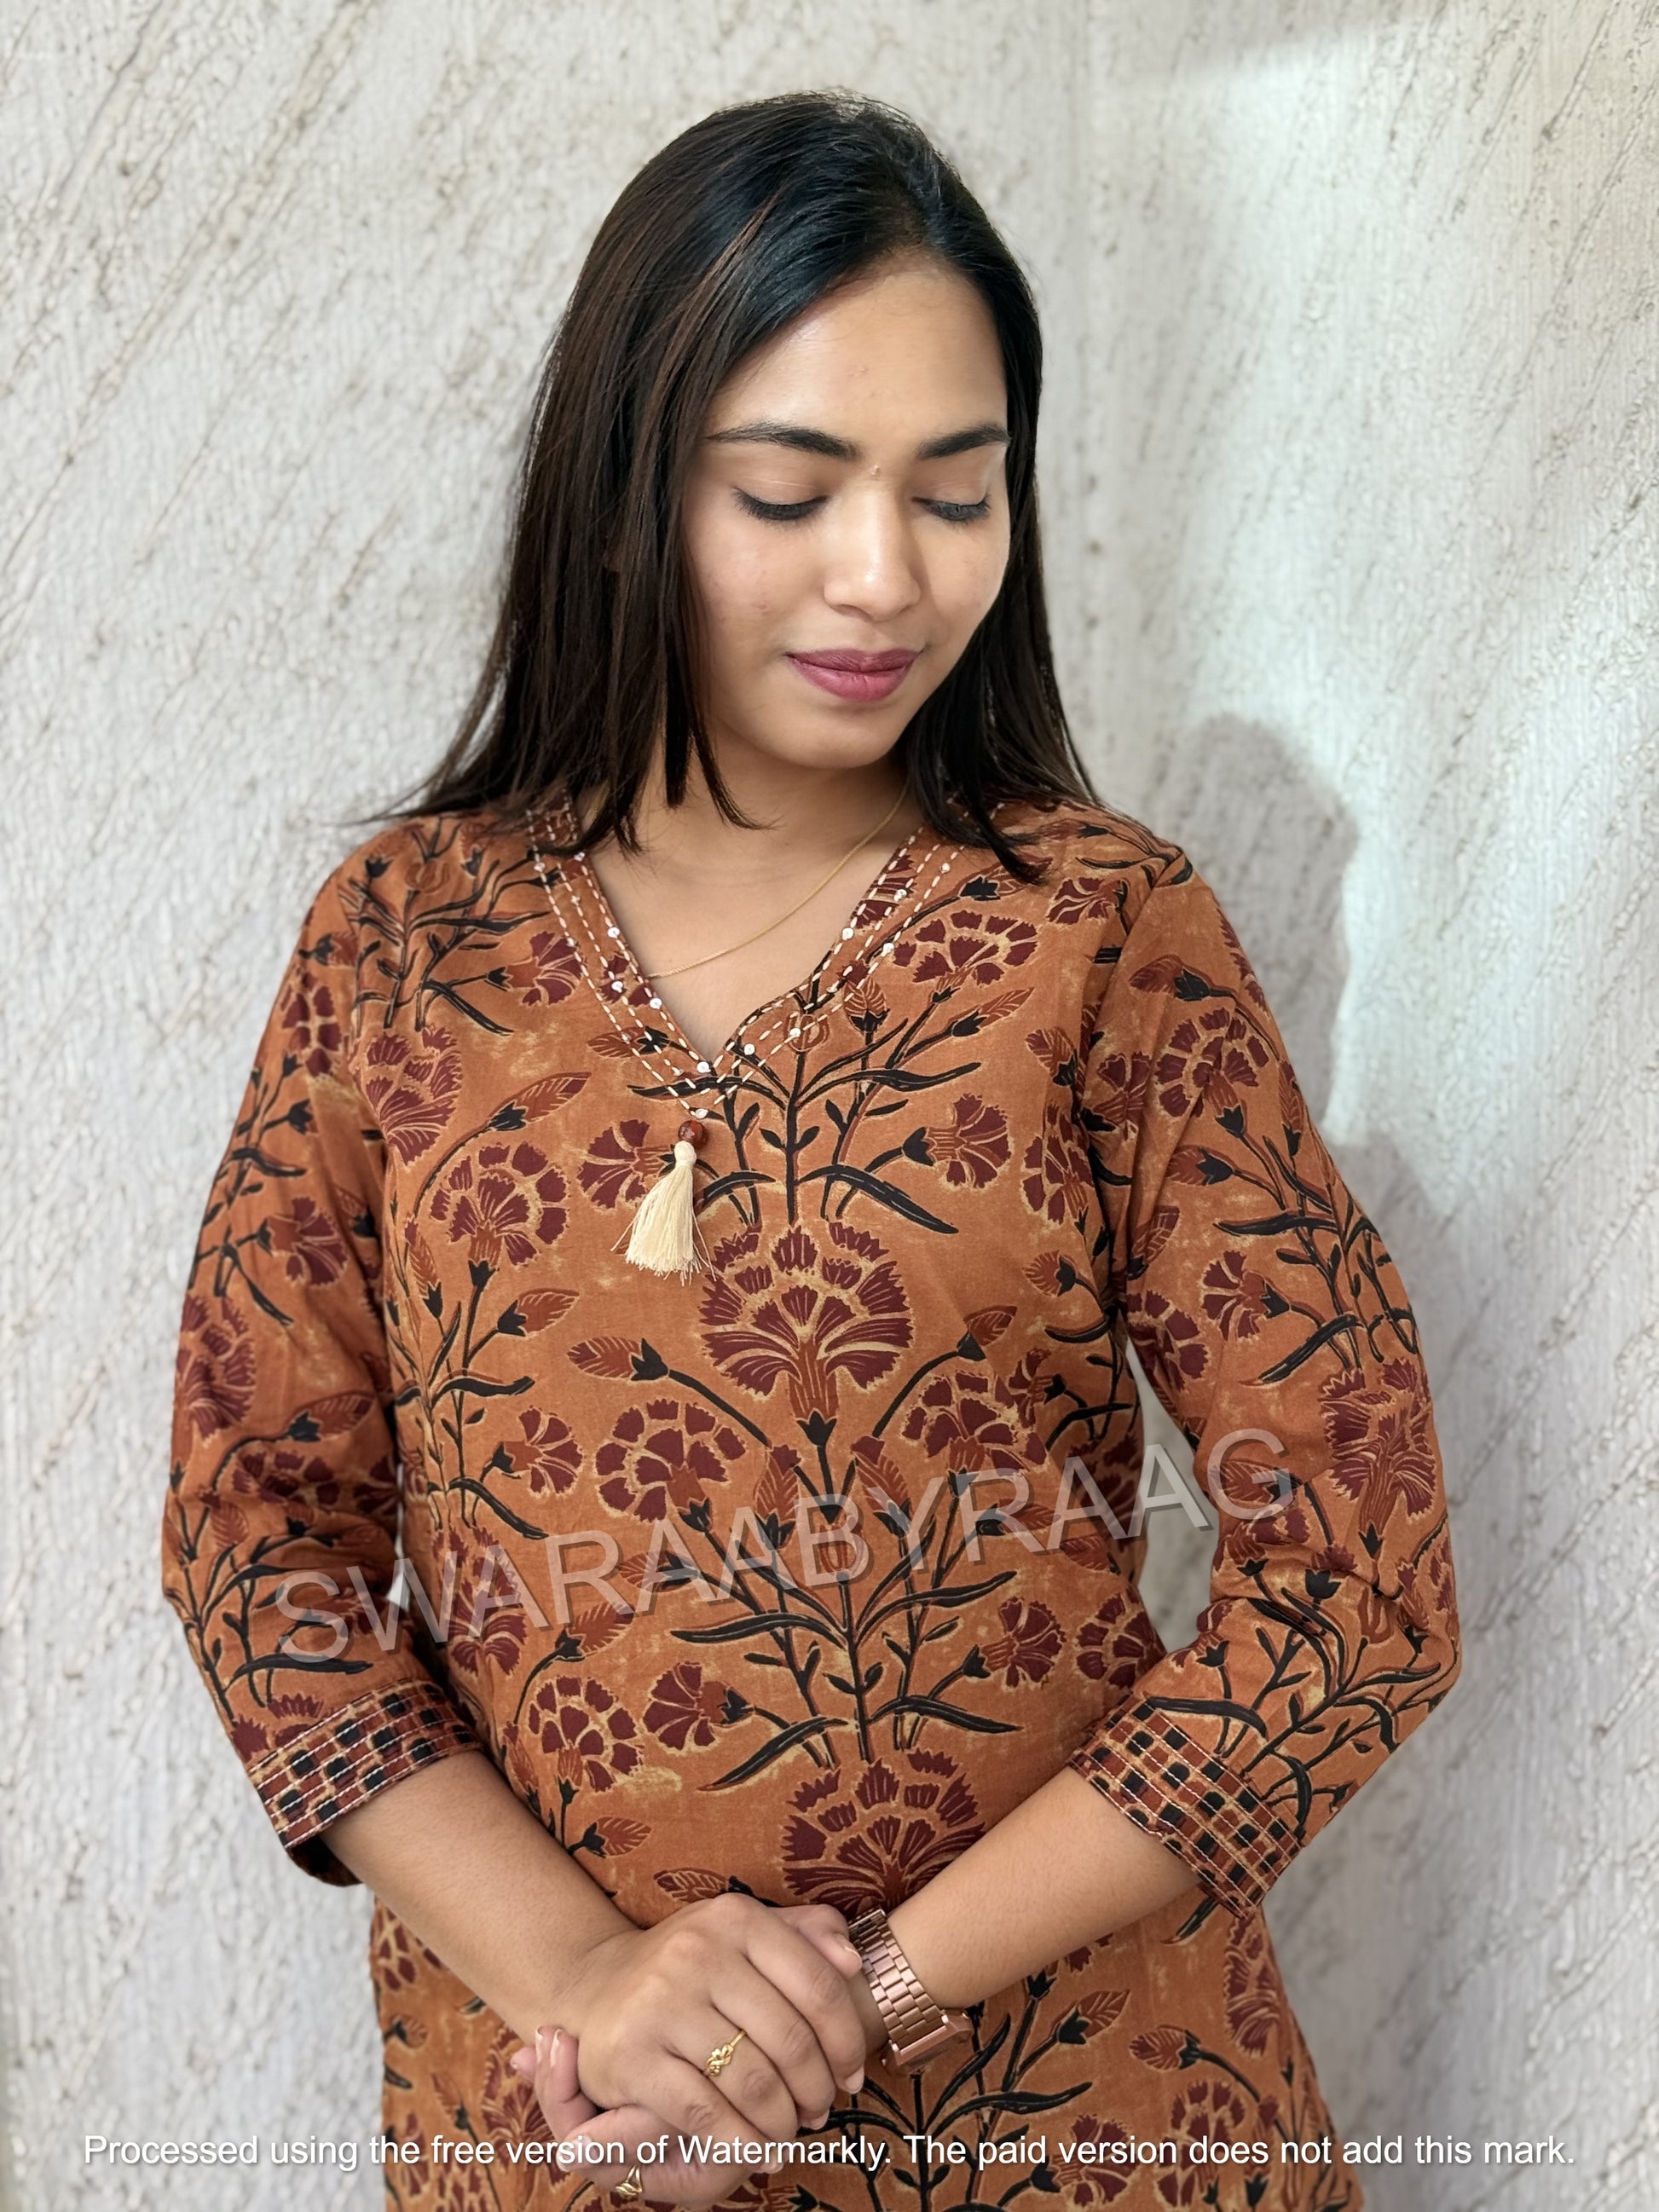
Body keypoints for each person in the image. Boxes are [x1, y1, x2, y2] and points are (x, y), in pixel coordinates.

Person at [161, 90, 1461, 2212]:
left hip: (1090, 2120)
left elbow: (1358, 1577)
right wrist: (587, 1972)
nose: (888, 574)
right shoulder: (405, 945)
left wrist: (864, 1992)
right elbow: (257, 1542)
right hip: (567, 2125)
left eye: (958, 490)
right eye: (789, 488)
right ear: (623, 495)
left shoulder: (1099, 932)